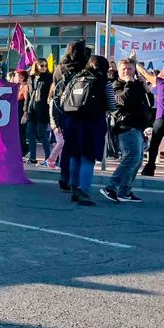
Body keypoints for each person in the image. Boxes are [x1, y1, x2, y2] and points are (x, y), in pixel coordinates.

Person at [60, 54, 115, 206]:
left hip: (72, 121)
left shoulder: (75, 79)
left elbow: (63, 100)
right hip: (92, 122)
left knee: (75, 155)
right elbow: (112, 104)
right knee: (88, 158)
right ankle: (84, 191)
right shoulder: (104, 82)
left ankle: (74, 185)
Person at [101, 58, 149, 203]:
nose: (127, 71)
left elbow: (147, 103)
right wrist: (128, 82)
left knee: (138, 160)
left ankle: (125, 190)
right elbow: (122, 100)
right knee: (131, 157)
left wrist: (144, 87)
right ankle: (111, 186)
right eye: (124, 69)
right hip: (126, 126)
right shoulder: (116, 84)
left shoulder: (136, 84)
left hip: (138, 126)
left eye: (130, 69)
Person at [50, 40, 89, 190]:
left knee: (67, 145)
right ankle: (75, 179)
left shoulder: (60, 67)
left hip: (63, 109)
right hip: (81, 108)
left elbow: (55, 88)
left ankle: (64, 176)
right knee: (80, 146)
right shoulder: (84, 67)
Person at [24, 60, 53, 165]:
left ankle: (48, 158)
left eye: (46, 66)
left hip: (43, 109)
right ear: (36, 66)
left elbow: (50, 94)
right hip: (32, 109)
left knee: (42, 133)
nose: (44, 67)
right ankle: (32, 158)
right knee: (30, 133)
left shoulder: (49, 78)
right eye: (42, 65)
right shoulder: (31, 78)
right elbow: (28, 95)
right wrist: (25, 111)